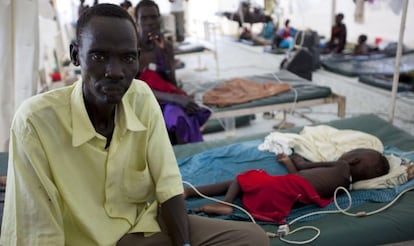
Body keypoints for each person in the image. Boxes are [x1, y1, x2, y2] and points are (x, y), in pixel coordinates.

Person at [0, 4, 269, 246]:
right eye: (99, 56)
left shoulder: (141, 97)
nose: (115, 72)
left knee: (252, 239)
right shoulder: (35, 122)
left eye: (127, 58)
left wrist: (184, 244)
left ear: (137, 59)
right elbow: (39, 233)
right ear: (75, 55)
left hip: (140, 229)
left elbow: (168, 185)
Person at [184, 148, 390, 224]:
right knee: (242, 184)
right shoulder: (344, 184)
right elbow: (301, 181)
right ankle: (190, 192)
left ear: (353, 160)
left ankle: (225, 203)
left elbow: (302, 167)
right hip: (286, 200)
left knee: (241, 178)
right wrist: (288, 164)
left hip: (281, 187)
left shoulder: (341, 164)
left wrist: (295, 156)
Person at [135, 0, 210, 145]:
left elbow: (171, 83)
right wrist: (176, 99)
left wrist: (163, 54)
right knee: (175, 114)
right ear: (137, 21)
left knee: (182, 115)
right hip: (143, 102)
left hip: (166, 99)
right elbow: (134, 90)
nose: (150, 22)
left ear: (159, 19)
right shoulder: (131, 49)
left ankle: (190, 157)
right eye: (144, 18)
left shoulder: (166, 46)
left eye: (153, 17)